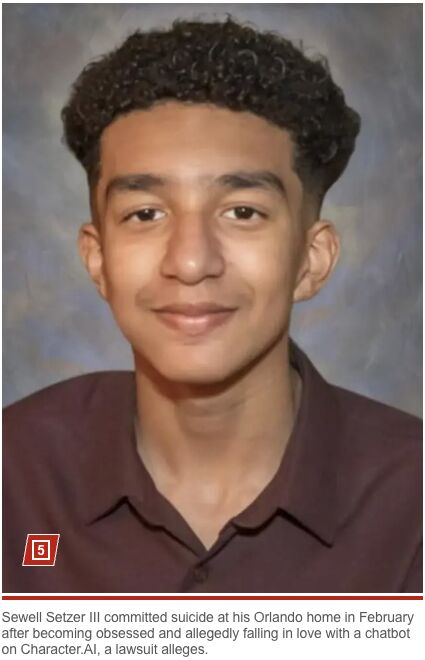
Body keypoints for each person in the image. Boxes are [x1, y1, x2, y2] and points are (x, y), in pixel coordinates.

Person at [3, 18, 421, 593]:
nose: (192, 261)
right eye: (145, 213)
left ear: (311, 258)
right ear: (98, 259)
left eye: (242, 212)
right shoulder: (16, 474)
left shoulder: (410, 500)